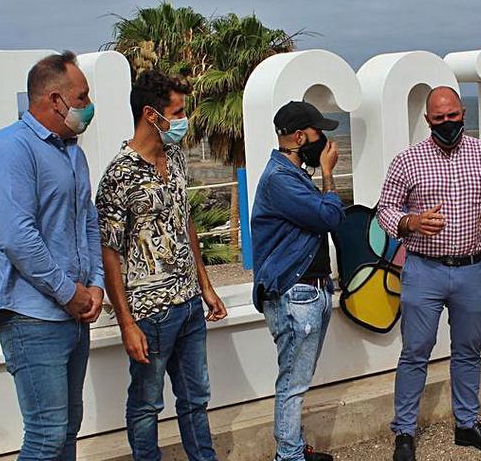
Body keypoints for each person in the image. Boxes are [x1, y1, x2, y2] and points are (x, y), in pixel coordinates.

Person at [376, 86, 481, 461]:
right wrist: (411, 221)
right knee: (415, 352)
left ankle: (467, 425)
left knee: (468, 351)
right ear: (427, 120)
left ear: (463, 114)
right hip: (424, 270)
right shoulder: (407, 160)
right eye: (438, 118)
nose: (446, 123)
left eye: (452, 116)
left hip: (472, 270)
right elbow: (385, 210)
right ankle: (404, 432)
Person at [0, 50, 104, 460]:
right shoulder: (9, 149)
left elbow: (88, 221)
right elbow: (17, 237)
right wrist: (69, 292)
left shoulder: (73, 153)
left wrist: (97, 284)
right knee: (46, 434)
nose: (87, 106)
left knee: (68, 429)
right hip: (32, 317)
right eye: (82, 97)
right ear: (54, 100)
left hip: (74, 314)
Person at [96, 70, 228, 461]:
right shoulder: (118, 175)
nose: (184, 120)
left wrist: (205, 286)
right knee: (146, 404)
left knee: (196, 398)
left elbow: (184, 220)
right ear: (152, 114)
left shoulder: (175, 158)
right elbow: (110, 253)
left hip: (189, 305)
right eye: (179, 111)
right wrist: (126, 324)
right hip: (149, 313)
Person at [250, 101, 344, 461]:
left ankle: (292, 447)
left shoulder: (292, 176)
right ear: (301, 136)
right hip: (295, 293)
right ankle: (288, 456)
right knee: (293, 382)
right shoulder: (280, 179)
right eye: (319, 132)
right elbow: (328, 217)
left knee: (296, 379)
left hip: (310, 290)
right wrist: (328, 175)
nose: (324, 140)